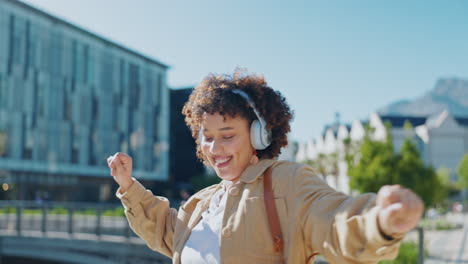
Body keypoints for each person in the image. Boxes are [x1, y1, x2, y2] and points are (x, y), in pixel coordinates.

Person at [107, 70, 424, 264]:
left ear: (260, 135)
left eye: (227, 135)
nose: (215, 148)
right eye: (207, 137)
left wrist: (379, 223)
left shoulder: (287, 181)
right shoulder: (201, 202)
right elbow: (164, 231)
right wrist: (128, 186)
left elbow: (333, 222)